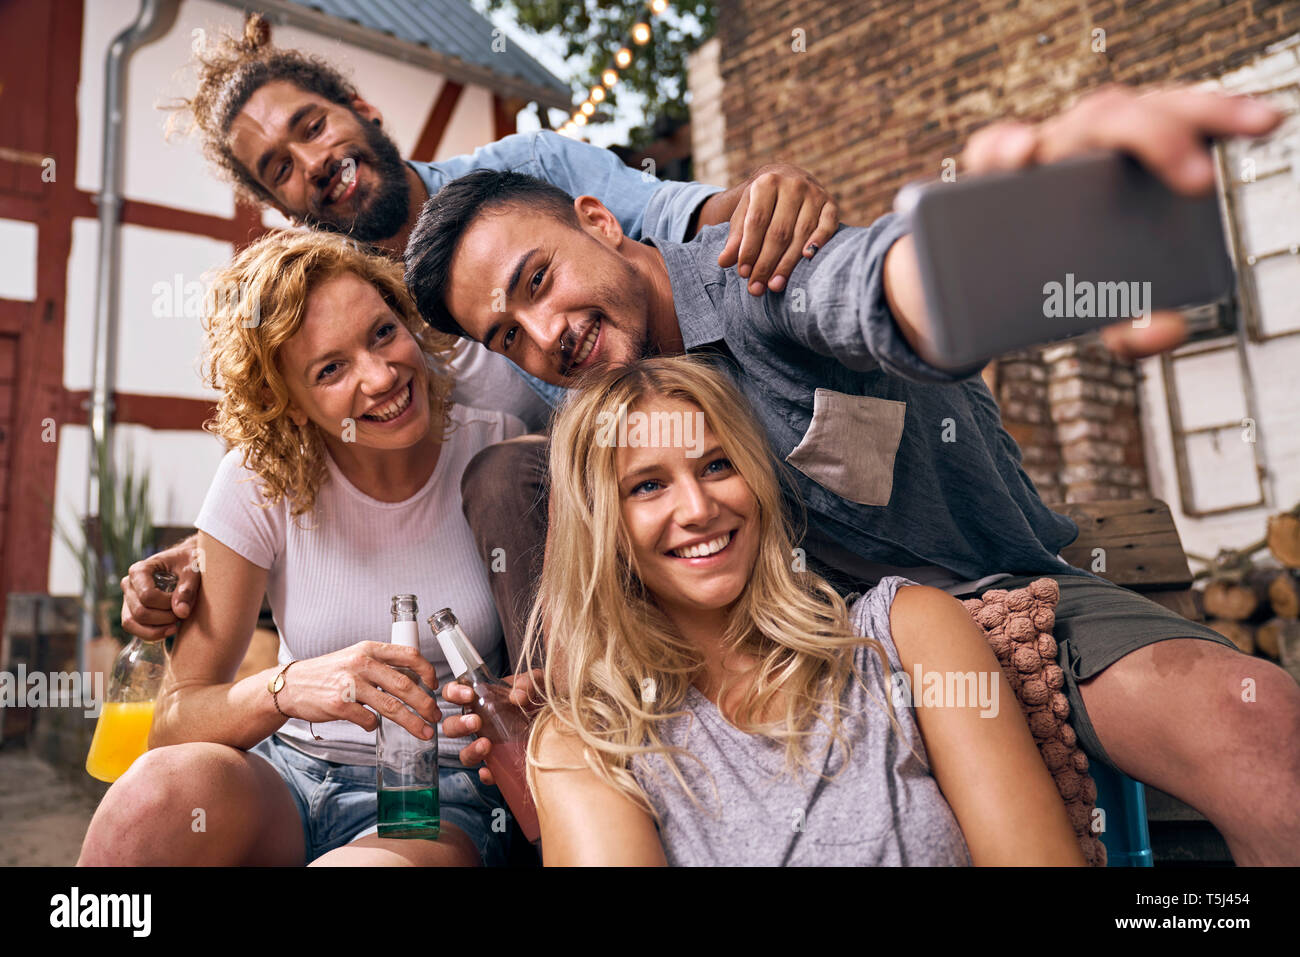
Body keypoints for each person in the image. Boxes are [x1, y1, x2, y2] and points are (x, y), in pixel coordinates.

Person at [411, 86, 1300, 865]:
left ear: (602, 223)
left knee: (1256, 726)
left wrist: (1047, 238)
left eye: (539, 279)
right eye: (508, 336)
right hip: (792, 671)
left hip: (997, 594)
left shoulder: (761, 263)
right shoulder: (600, 422)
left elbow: (885, 286)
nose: (544, 333)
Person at [123, 12, 839, 667]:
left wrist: (766, 197)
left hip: (706, 452)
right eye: (279, 168)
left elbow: (681, 215)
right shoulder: (356, 331)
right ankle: (557, 731)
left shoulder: (527, 173)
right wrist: (208, 553)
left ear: (363, 113)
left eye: (311, 127)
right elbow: (313, 459)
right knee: (502, 476)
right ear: (283, 208)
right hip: (581, 529)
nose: (309, 162)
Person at [518, 355, 1083, 865]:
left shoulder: (909, 632)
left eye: (717, 465)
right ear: (599, 529)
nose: (697, 508)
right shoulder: (587, 747)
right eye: (647, 485)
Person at [79, 230, 525, 866]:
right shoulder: (259, 481)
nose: (381, 376)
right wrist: (286, 687)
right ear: (286, 404)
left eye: (381, 333)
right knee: (146, 801)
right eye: (330, 369)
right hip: (287, 777)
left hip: (436, 799)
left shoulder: (498, 452)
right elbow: (174, 718)